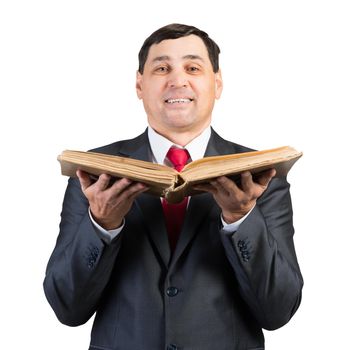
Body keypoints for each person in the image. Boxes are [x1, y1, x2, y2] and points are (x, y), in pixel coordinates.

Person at [44, 23, 303, 350]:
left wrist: (241, 217)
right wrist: (102, 224)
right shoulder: (96, 173)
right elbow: (67, 307)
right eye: (162, 68)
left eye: (193, 68)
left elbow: (278, 311)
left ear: (217, 83)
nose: (177, 80)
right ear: (140, 84)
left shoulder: (262, 176)